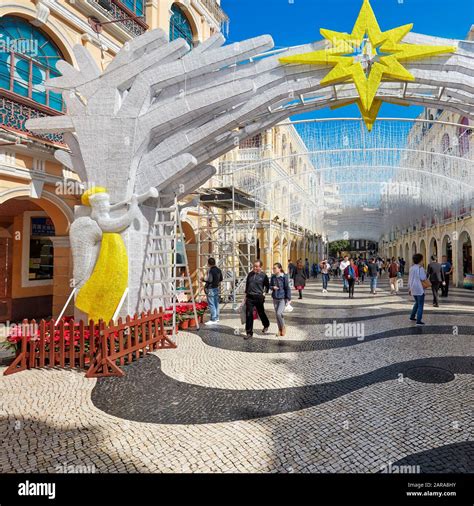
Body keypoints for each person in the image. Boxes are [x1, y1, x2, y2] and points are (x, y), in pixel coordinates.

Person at [244, 260, 270, 339]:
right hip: (250, 297)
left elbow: (267, 286)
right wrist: (245, 297)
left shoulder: (263, 276)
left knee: (261, 313)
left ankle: (266, 324)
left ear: (260, 267)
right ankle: (249, 333)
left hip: (259, 297)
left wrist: (264, 293)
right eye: (254, 266)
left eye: (256, 266)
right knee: (249, 314)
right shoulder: (250, 274)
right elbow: (247, 285)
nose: (254, 267)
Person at [270, 263, 291, 336]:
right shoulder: (273, 277)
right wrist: (273, 287)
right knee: (277, 315)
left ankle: (283, 327)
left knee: (279, 313)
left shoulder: (284, 277)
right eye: (273, 268)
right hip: (275, 298)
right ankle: (279, 329)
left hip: (282, 298)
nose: (273, 269)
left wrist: (288, 298)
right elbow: (270, 286)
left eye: (275, 268)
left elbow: (287, 287)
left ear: (279, 268)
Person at [408, 253, 427, 325]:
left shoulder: (411, 268)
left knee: (417, 302)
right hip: (419, 288)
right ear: (420, 260)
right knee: (420, 305)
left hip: (413, 288)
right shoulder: (420, 268)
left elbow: (410, 279)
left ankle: (412, 316)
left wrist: (409, 288)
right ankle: (419, 320)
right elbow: (423, 278)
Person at [203, 258, 223, 325]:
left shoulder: (211, 270)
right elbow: (221, 279)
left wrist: (203, 279)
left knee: (211, 304)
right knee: (216, 303)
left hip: (211, 288)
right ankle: (217, 318)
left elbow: (210, 280)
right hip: (216, 288)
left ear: (208, 263)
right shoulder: (218, 270)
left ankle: (213, 319)